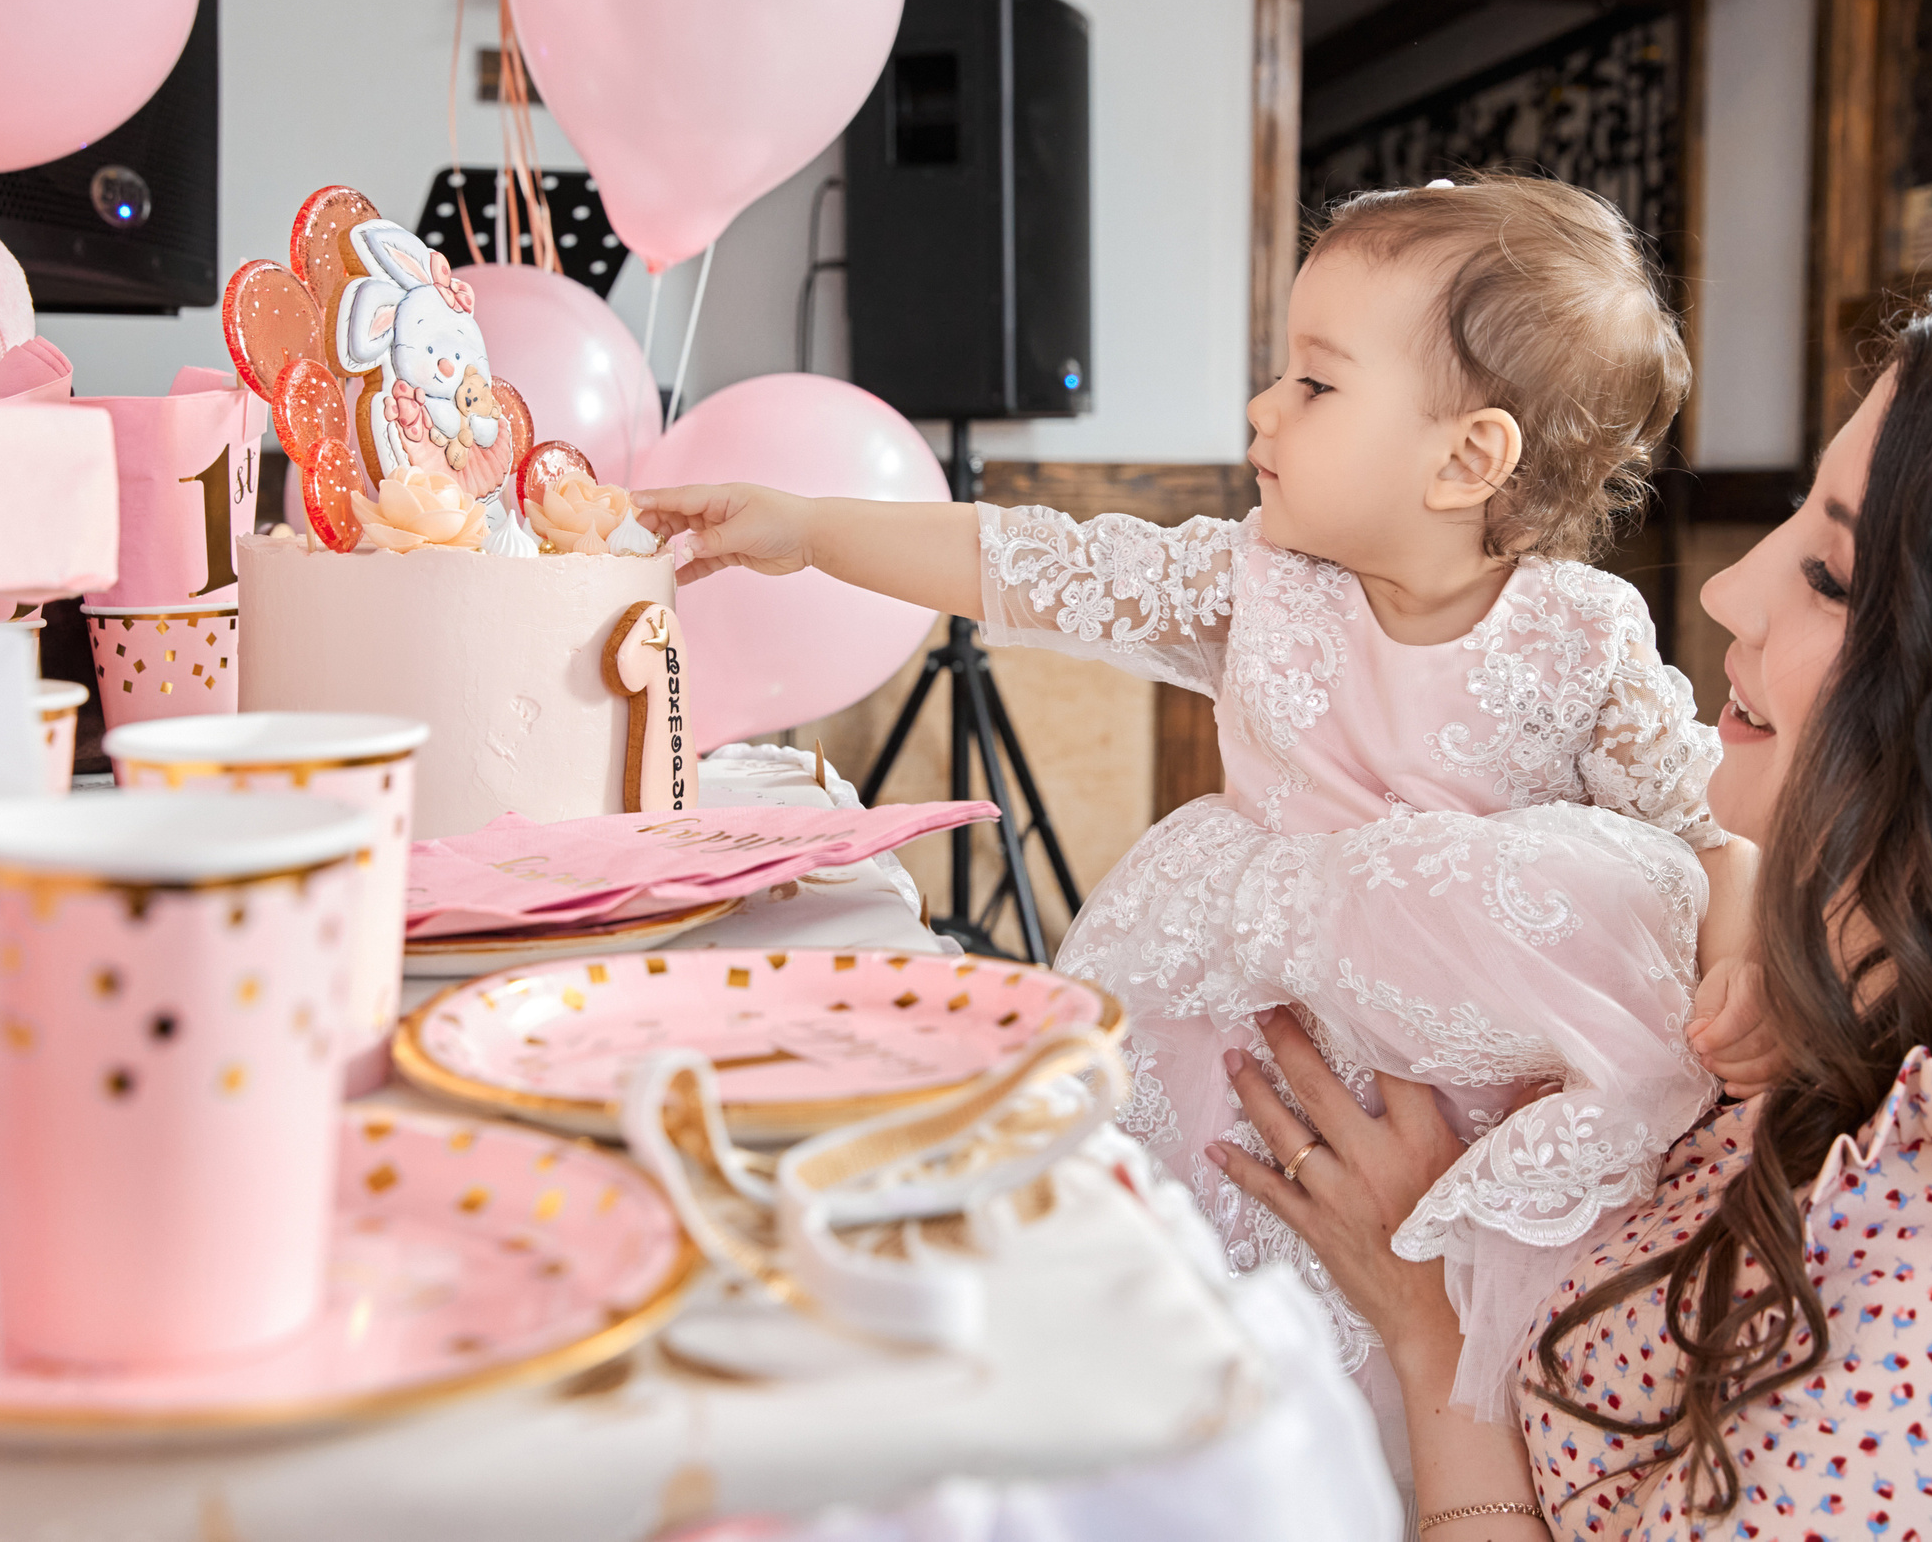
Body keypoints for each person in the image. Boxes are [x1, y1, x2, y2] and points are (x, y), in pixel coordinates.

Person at [632, 174, 1755, 1462]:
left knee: (1424, 1363)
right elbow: (1036, 564)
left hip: (1457, 1107)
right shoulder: (1252, 586)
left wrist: (1744, 988)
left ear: (1467, 458)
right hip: (1241, 1040)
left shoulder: (1582, 635)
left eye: (1315, 387)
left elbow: (1697, 837)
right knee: (1219, 1316)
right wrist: (810, 528)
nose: (1261, 409)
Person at [1213, 265, 1932, 1541]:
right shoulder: (1844, 1014)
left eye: (1833, 577)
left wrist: (1431, 1332)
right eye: (1796, 521)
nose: (1728, 589)